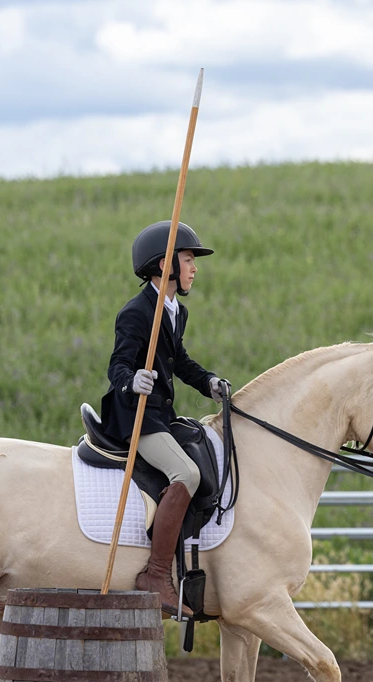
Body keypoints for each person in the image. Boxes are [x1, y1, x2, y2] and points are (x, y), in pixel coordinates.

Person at [99, 221, 226, 617]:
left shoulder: (175, 310)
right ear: (164, 265)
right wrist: (131, 381)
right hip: (135, 416)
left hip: (161, 413)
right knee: (186, 475)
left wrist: (208, 382)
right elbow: (118, 364)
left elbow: (180, 361)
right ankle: (155, 574)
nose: (194, 268)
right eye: (188, 260)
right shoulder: (137, 313)